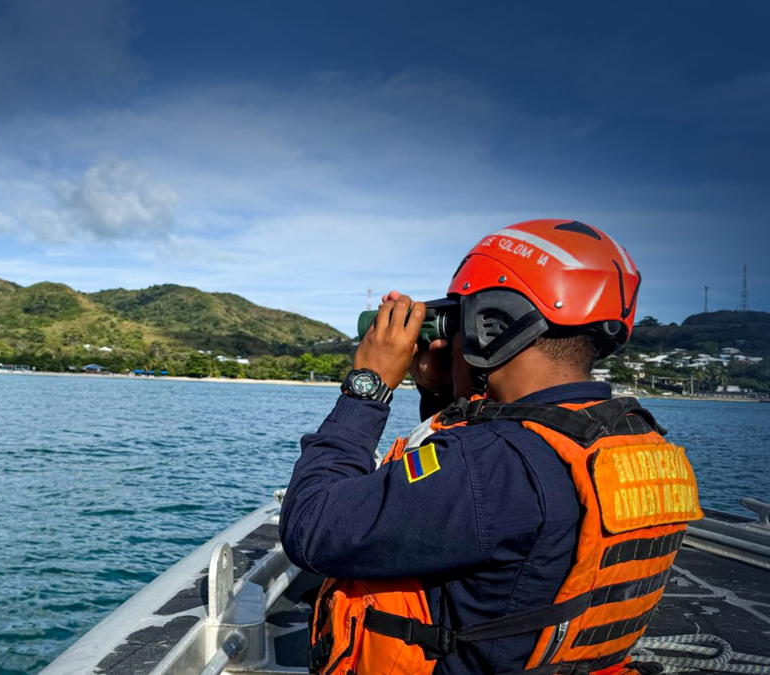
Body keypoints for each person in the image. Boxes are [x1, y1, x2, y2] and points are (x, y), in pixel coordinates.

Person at [280, 219, 702, 675]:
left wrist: (368, 386)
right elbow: (471, 510)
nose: (449, 341)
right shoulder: (626, 441)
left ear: (491, 326)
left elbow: (312, 527)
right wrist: (440, 393)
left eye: (459, 321)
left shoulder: (492, 465)